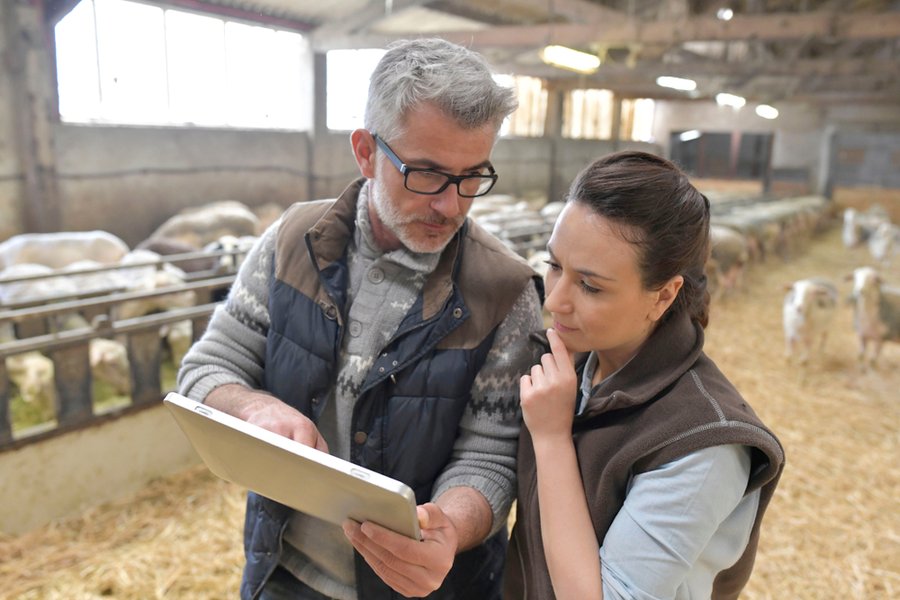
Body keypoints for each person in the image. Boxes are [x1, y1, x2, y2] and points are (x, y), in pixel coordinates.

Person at [176, 38, 544, 600]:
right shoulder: (291, 242)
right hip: (286, 571)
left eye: (472, 176)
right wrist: (253, 407)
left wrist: (447, 527)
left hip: (430, 587)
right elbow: (208, 367)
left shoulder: (505, 291)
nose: (451, 205)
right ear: (367, 152)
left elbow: (490, 453)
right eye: (426, 174)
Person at [503, 151, 785, 600]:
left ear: (664, 295)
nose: (554, 301)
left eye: (590, 286)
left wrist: (553, 437)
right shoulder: (568, 362)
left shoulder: (705, 442)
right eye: (554, 265)